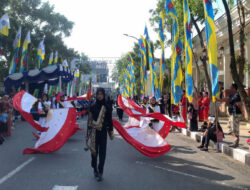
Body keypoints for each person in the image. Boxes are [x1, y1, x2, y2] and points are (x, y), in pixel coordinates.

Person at [86, 88, 114, 182]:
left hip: (103, 133)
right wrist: (88, 134)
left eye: (101, 94)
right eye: (98, 94)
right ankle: (95, 169)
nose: (100, 95)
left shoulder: (107, 106)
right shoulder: (93, 106)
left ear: (104, 95)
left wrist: (111, 131)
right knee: (94, 153)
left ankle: (100, 171)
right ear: (96, 95)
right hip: (94, 132)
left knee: (102, 153)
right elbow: (89, 121)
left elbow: (110, 120)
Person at [217, 83, 242, 148]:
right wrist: (218, 100)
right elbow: (226, 99)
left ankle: (236, 142)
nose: (230, 89)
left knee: (234, 129)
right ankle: (236, 140)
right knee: (230, 128)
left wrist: (241, 112)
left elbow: (239, 105)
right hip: (231, 113)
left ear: (234, 89)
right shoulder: (231, 95)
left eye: (231, 87)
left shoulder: (237, 95)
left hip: (235, 113)